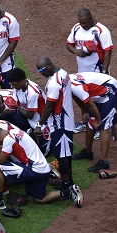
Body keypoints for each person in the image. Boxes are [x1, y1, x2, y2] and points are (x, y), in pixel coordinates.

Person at [0, 126, 84, 208]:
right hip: (43, 169)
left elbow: (2, 160)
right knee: (39, 199)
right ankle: (70, 192)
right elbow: (14, 147)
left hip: (34, 170)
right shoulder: (15, 131)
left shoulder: (8, 139)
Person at [33, 57, 82, 201]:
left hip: (59, 122)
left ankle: (68, 186)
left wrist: (39, 124)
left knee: (62, 155)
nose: (41, 73)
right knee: (65, 154)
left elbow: (49, 106)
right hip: (65, 119)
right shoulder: (63, 73)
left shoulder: (54, 82)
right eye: (39, 71)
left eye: (42, 70)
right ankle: (68, 182)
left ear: (49, 64)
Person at [70, 72, 117, 172]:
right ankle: (87, 151)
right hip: (99, 92)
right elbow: (76, 97)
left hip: (112, 92)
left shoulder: (75, 86)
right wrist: (84, 111)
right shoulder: (67, 82)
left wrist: (98, 120)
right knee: (90, 121)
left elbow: (90, 104)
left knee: (103, 125)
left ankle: (104, 162)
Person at [66, 8, 114, 74]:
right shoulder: (76, 28)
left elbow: (108, 52)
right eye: (80, 23)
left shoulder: (102, 31)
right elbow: (68, 44)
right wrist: (75, 51)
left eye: (84, 23)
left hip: (98, 73)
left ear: (91, 19)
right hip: (82, 73)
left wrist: (104, 72)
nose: (82, 25)